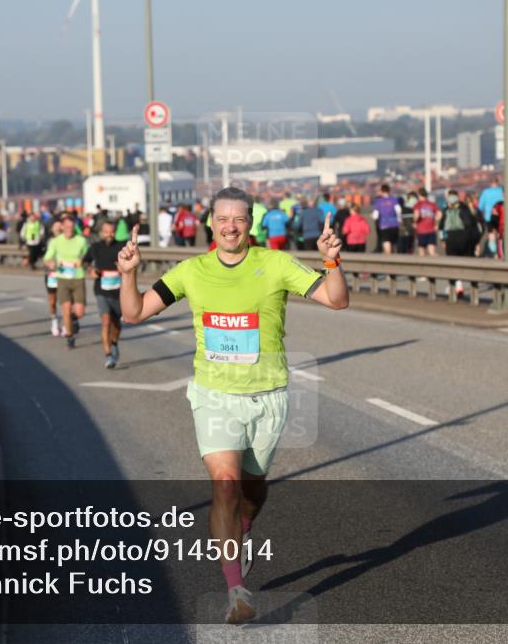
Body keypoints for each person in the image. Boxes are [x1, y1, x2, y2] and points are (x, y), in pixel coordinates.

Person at [117, 186, 348, 625]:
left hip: (268, 396)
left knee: (253, 490)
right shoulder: (191, 271)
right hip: (215, 396)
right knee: (225, 484)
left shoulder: (275, 264)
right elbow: (134, 313)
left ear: (251, 223)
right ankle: (235, 590)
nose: (230, 226)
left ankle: (243, 532)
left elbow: (336, 299)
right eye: (222, 218)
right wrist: (128, 274)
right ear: (210, 223)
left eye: (239, 219)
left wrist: (332, 262)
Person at [83, 220, 126, 368]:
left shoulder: (121, 246)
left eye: (112, 231)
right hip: (101, 289)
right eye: (106, 231)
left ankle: (114, 343)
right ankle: (108, 355)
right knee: (106, 321)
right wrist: (90, 270)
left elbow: (132, 263)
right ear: (101, 233)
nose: (109, 234)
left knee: (116, 324)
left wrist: (124, 268)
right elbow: (85, 262)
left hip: (118, 291)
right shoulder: (95, 247)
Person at [43, 213, 88, 348]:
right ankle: (69, 335)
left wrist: (83, 261)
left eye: (71, 227)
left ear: (74, 227)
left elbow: (88, 256)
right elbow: (47, 258)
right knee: (66, 309)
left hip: (78, 278)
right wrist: (50, 263)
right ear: (62, 227)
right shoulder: (55, 241)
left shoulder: (81, 240)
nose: (69, 229)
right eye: (66, 227)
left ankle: (73, 319)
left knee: (79, 312)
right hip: (62, 279)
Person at [439, 190, 477, 296]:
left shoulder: (446, 210)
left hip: (451, 239)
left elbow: (441, 227)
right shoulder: (464, 208)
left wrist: (443, 240)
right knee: (468, 262)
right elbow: (470, 223)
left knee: (453, 263)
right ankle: (473, 284)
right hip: (464, 238)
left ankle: (458, 285)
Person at [372, 184, 401, 254]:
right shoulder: (394, 199)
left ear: (381, 191)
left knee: (386, 241)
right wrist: (399, 219)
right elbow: (398, 210)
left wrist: (374, 218)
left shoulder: (379, 201)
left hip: (384, 224)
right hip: (394, 224)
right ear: (389, 190)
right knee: (394, 242)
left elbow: (375, 215)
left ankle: (388, 257)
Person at [412, 188, 441, 255]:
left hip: (421, 230)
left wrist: (414, 222)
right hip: (431, 230)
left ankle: (422, 265)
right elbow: (439, 214)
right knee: (432, 251)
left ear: (419, 195)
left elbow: (416, 215)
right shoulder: (432, 204)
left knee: (421, 251)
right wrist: (436, 223)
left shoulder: (418, 204)